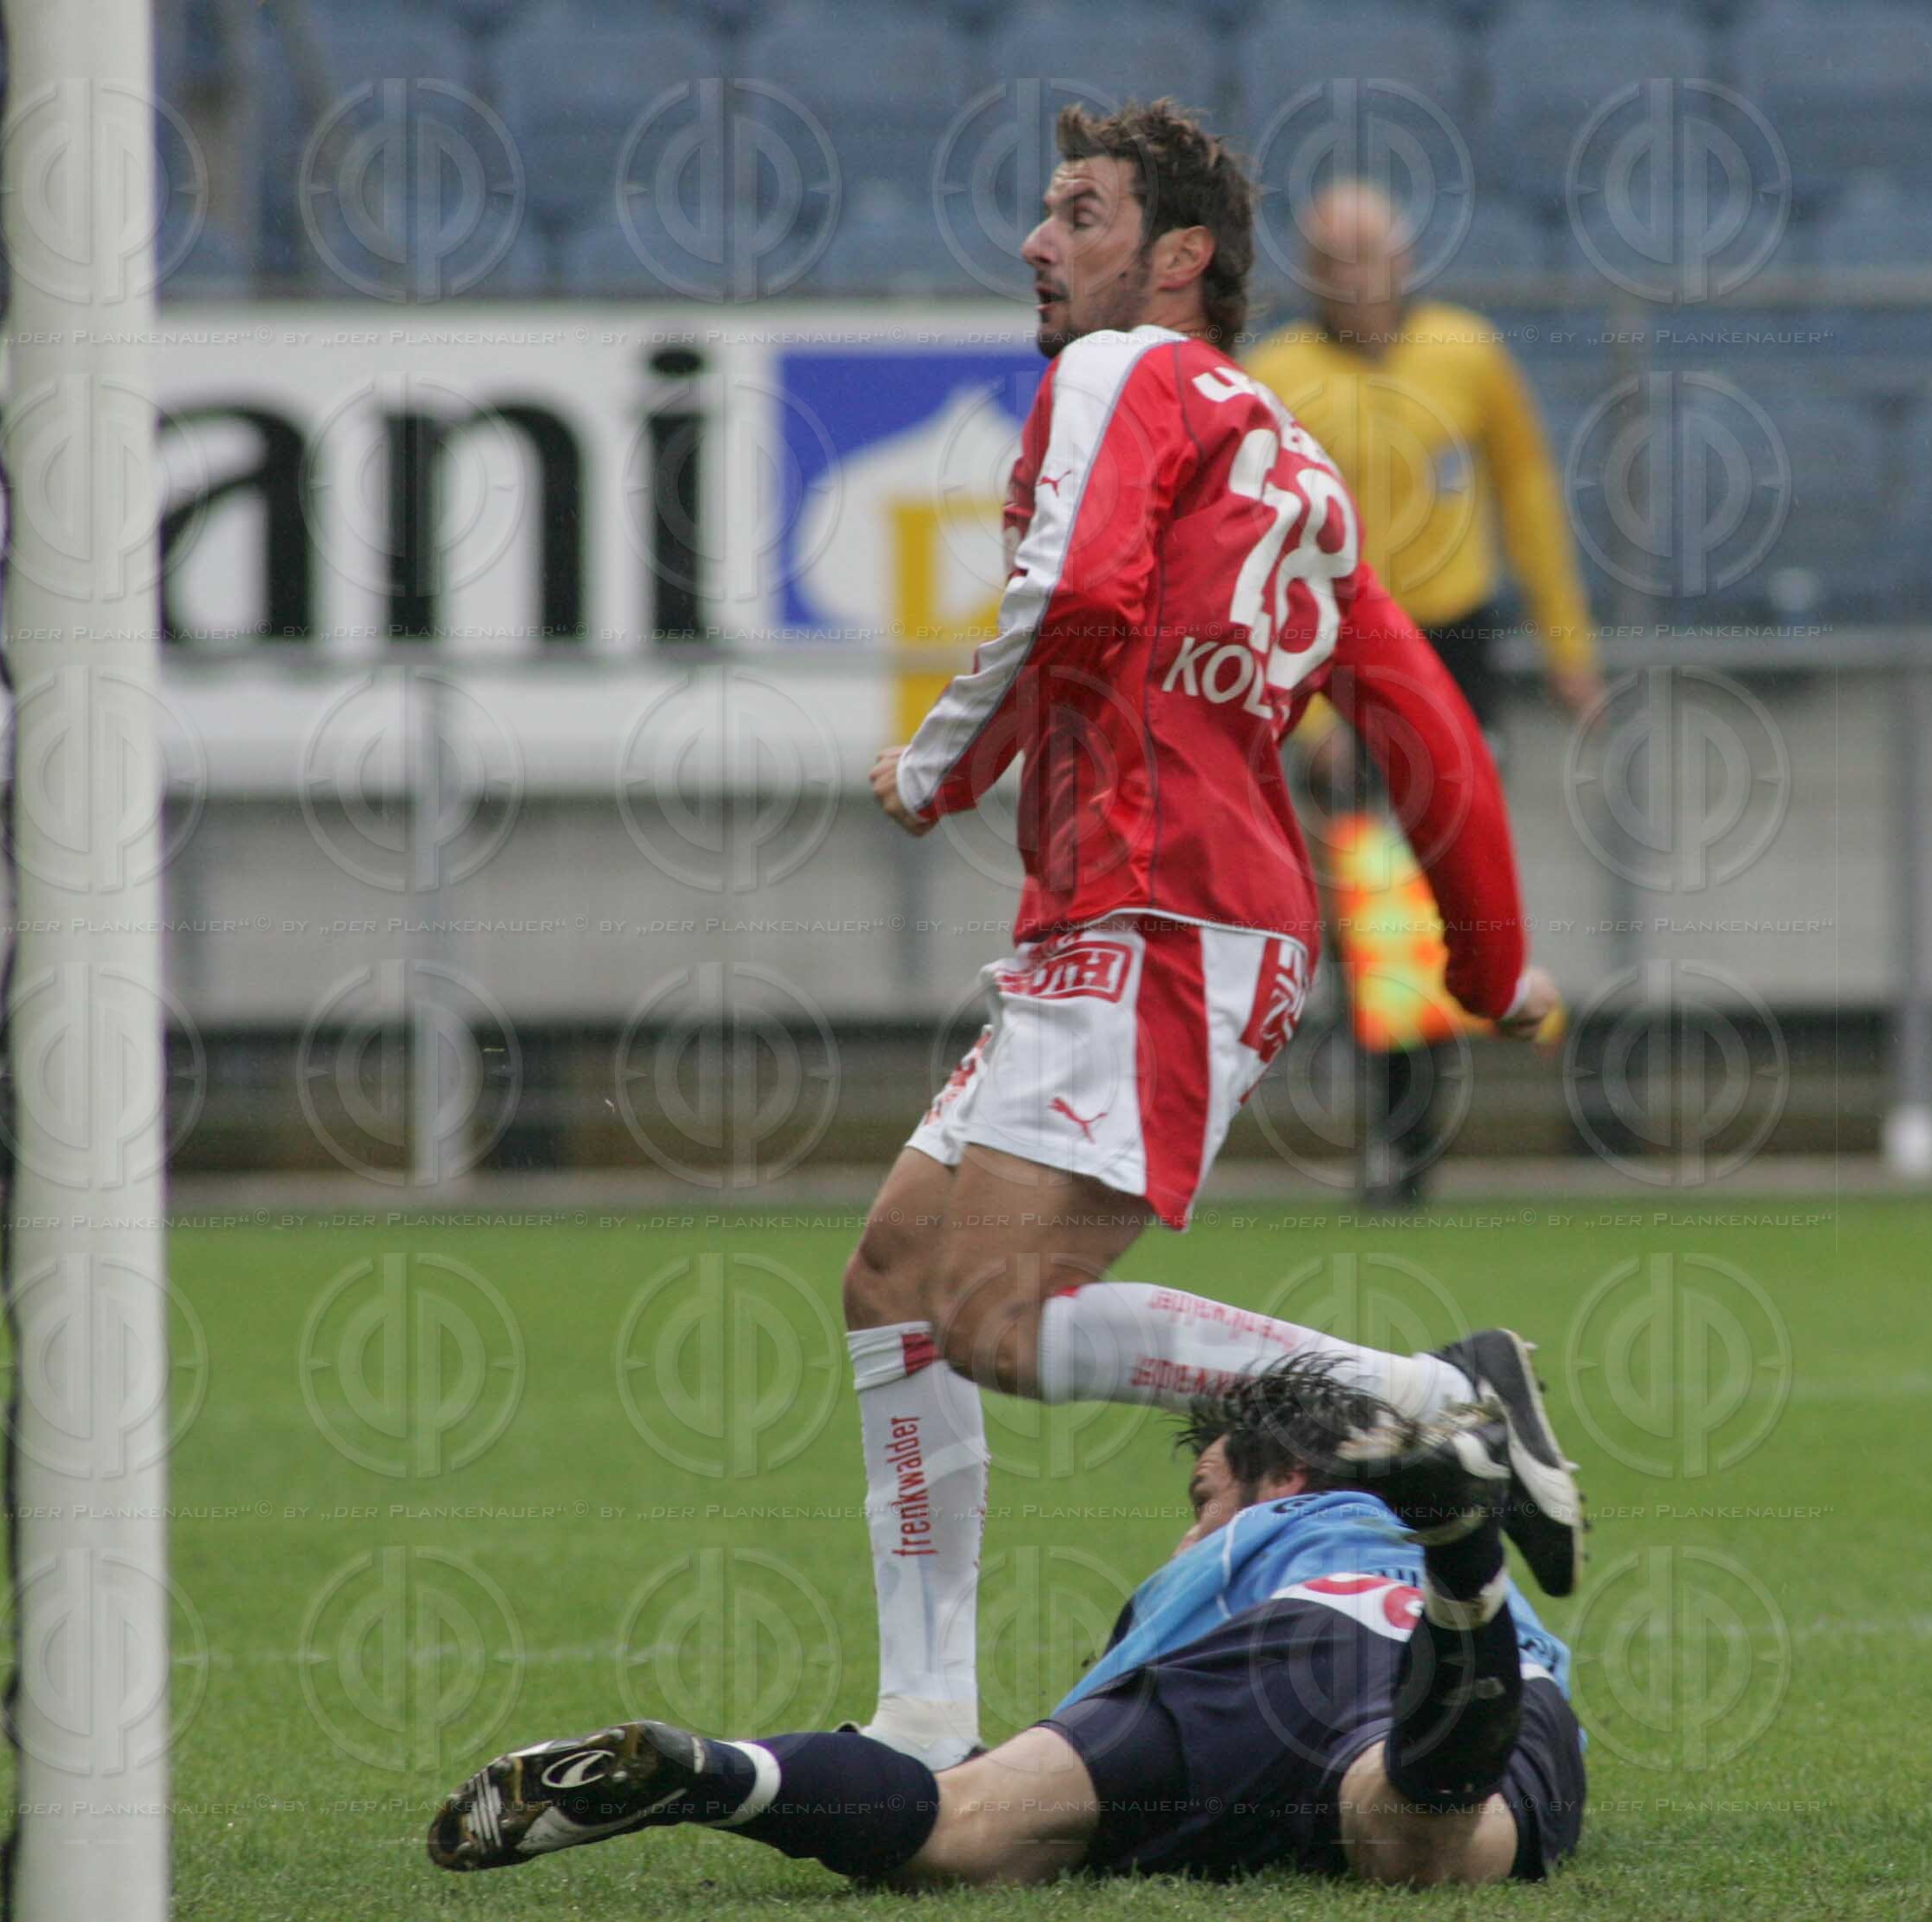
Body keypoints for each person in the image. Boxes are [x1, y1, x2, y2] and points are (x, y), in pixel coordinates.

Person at [822, 96, 1580, 1775]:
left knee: (997, 1321)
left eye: (1078, 214)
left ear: (1177, 261)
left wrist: (936, 764)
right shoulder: (1290, 457)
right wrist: (1485, 958)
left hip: (1157, 909)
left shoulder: (1123, 373)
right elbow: (1424, 718)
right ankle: (923, 1707)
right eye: (1044, 211)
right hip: (1175, 917)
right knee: (893, 1272)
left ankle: (1423, 1396)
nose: (1038, 242)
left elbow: (1071, 600)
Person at [426, 1357, 1585, 1889]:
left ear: (1274, 1482)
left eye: (1201, 1500)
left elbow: (1062, 1762)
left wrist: (889, 1774)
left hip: (1269, 1653)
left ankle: (720, 1774)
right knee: (1424, 1841)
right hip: (1491, 1682)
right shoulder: (1376, 1534)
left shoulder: (1254, 1540)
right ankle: (1463, 1569)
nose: (1191, 1530)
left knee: (964, 1824)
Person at [1249, 181, 1602, 1204]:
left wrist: (1567, 644)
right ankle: (1397, 1128)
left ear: (1405, 261)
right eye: (1331, 259)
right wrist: (1312, 712)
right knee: (1365, 900)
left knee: (1450, 868)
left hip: (1456, 640)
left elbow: (1528, 490)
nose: (1352, 278)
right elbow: (1262, 554)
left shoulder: (1469, 352)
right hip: (1339, 650)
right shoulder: (1274, 376)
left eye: (1368, 255)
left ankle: (1423, 1115)